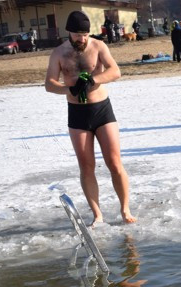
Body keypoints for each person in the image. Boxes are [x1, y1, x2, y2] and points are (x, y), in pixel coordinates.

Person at [44, 10, 136, 225]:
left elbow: (115, 71)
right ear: (68, 32)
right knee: (86, 166)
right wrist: (69, 90)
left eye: (85, 35)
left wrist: (93, 81)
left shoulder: (98, 46)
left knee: (114, 162)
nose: (82, 39)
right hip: (77, 113)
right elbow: (49, 84)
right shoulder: (58, 53)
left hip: (102, 110)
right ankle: (97, 215)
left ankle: (125, 209)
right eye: (78, 35)